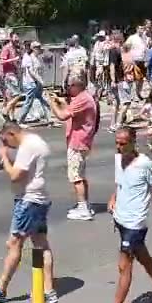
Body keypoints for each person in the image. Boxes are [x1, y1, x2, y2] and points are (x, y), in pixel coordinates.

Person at [92, 126, 152, 303]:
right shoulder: (118, 159)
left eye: (123, 143)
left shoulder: (145, 164)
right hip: (121, 219)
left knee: (124, 266)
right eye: (117, 143)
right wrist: (113, 198)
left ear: (133, 142)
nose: (119, 147)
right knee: (145, 259)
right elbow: (120, 183)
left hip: (135, 223)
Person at [0, 120, 57, 303]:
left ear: (11, 134)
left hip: (29, 200)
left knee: (14, 243)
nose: (7, 146)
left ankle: (1, 288)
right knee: (41, 244)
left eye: (6, 141)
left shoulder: (27, 146)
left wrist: (5, 158)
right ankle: (48, 289)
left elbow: (15, 175)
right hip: (39, 198)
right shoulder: (36, 141)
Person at [49, 75, 97, 220]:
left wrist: (52, 104)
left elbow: (63, 115)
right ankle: (84, 204)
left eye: (69, 86)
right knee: (81, 175)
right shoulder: (83, 98)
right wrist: (61, 102)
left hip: (78, 142)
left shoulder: (83, 98)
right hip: (82, 141)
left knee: (76, 177)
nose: (68, 89)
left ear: (77, 85)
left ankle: (83, 208)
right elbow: (70, 111)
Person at [18, 41, 51, 126]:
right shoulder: (29, 57)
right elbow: (31, 71)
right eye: (37, 47)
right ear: (33, 48)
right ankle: (20, 121)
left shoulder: (38, 57)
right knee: (28, 102)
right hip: (31, 83)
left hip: (37, 83)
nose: (39, 49)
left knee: (43, 100)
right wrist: (39, 80)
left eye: (40, 47)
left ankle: (49, 119)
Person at [0, 34, 21, 103]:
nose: (18, 39)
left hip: (12, 72)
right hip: (6, 74)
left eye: (18, 37)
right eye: (15, 37)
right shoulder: (6, 48)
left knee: (8, 94)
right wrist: (14, 59)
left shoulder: (14, 48)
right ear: (10, 38)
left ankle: (6, 110)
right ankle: (10, 112)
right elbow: (1, 61)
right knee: (14, 94)